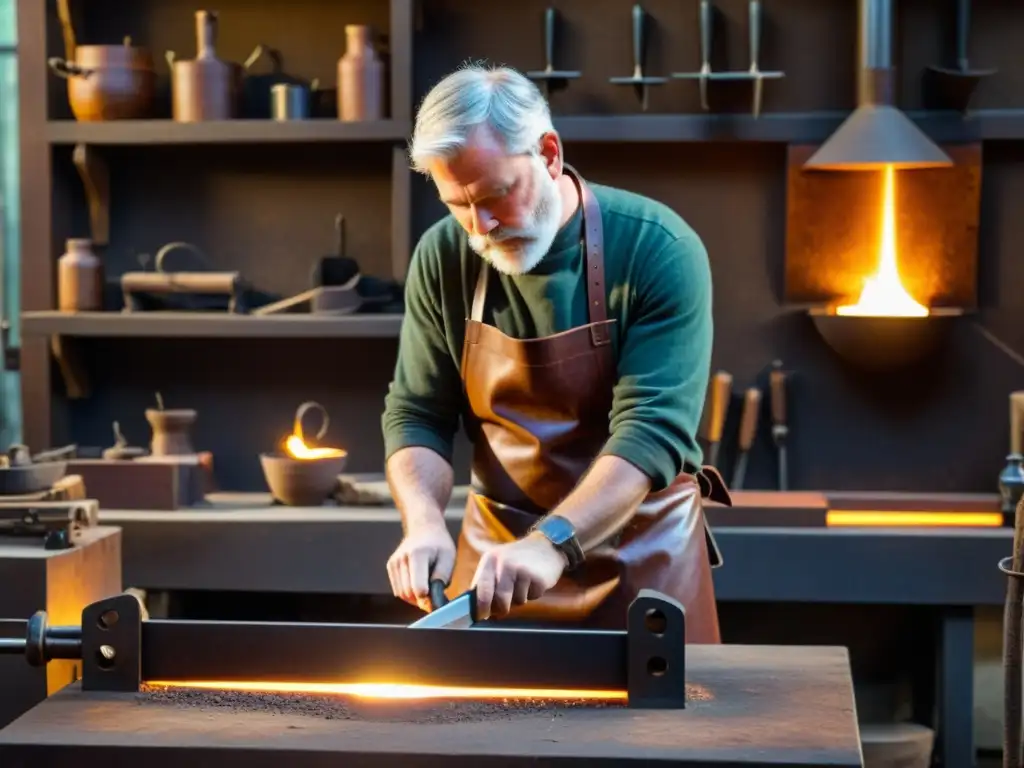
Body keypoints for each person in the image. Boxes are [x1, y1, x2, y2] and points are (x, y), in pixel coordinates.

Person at [381, 64, 729, 641]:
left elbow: (650, 434)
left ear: (547, 153)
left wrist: (551, 544)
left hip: (641, 561)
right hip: (497, 575)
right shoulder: (444, 254)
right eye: (457, 204)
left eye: (495, 195)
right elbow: (417, 412)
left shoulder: (657, 247)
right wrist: (421, 525)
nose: (482, 227)